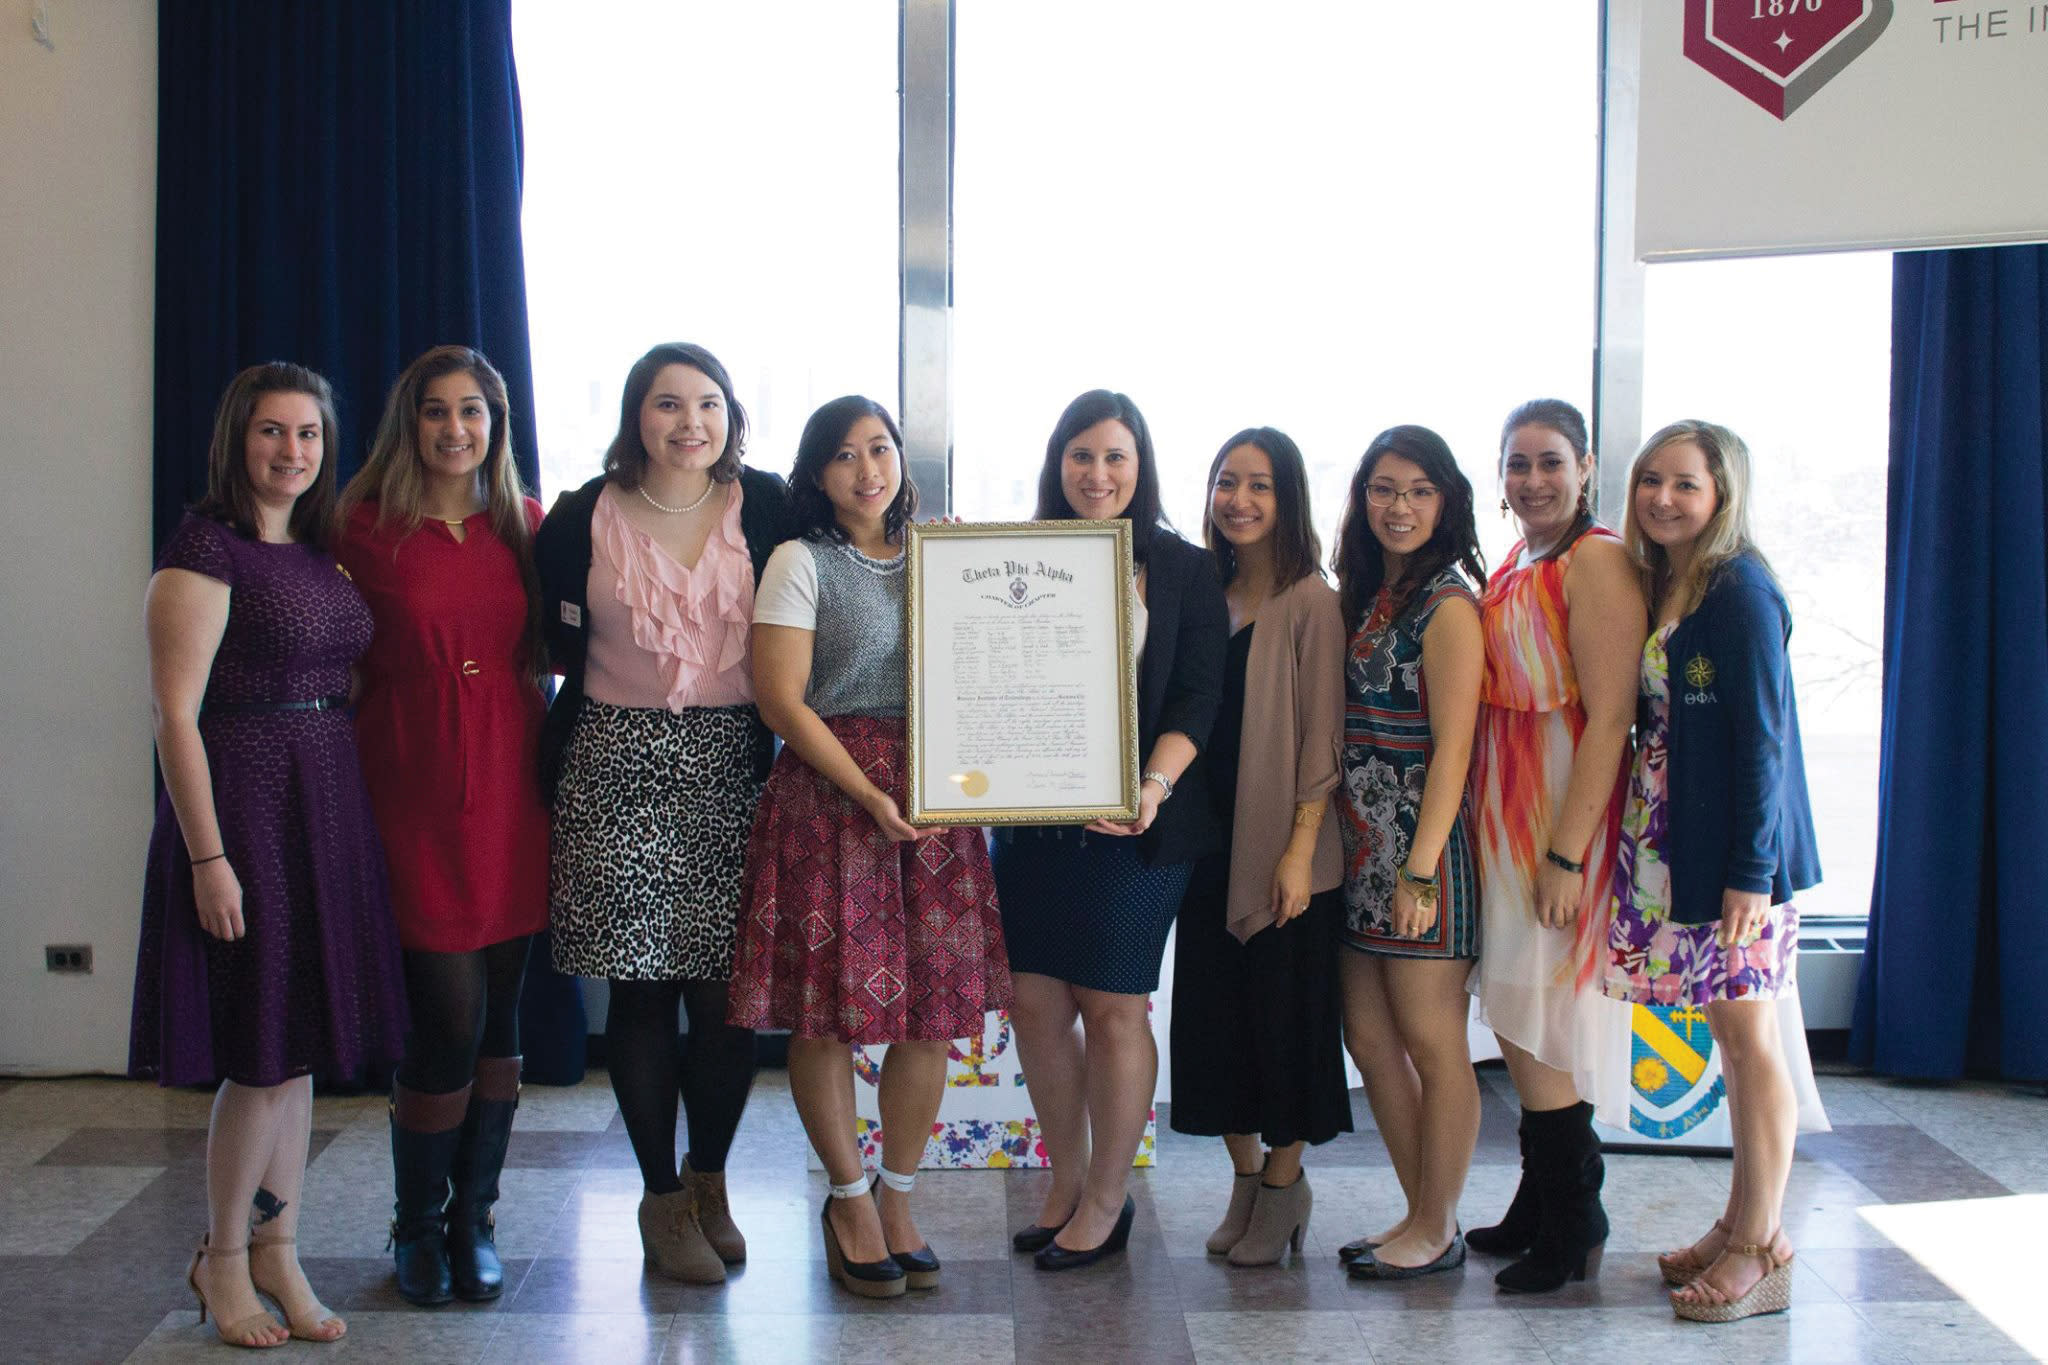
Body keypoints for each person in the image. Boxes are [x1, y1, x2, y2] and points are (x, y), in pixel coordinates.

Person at [129, 362, 408, 1347]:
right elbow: (173, 715)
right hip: (244, 809)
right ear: (236, 441)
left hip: (322, 798)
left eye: (308, 436)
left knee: (293, 1061)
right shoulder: (206, 549)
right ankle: (222, 1261)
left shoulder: (321, 552)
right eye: (271, 433)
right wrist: (209, 860)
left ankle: (279, 1255)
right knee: (256, 1058)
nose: (291, 452)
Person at [729, 394, 1012, 1299]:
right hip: (833, 799)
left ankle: (897, 1194)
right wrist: (868, 790)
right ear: (817, 473)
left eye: (880, 448)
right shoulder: (798, 561)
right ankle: (846, 1197)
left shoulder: (948, 556)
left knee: (929, 1012)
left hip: (937, 806)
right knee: (826, 1015)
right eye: (845, 455)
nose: (867, 468)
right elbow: (781, 702)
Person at [536, 342, 792, 1284]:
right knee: (641, 994)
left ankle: (710, 1177)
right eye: (668, 404)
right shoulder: (577, 518)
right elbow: (542, 639)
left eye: (710, 404)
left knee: (730, 999)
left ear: (732, 416)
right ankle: (658, 1197)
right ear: (636, 415)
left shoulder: (766, 507)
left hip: (736, 766)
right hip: (613, 761)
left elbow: (852, 568)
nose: (691, 423)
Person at [995, 389, 1229, 1271]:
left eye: (1117, 457)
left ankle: (1106, 1198)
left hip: (1142, 825)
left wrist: (1152, 783)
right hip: (1034, 826)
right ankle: (1065, 1180)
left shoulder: (1183, 569)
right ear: (1058, 463)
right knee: (1037, 1004)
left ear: (1143, 466)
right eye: (1082, 456)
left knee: (1116, 1006)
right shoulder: (1016, 557)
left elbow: (1198, 696)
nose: (1099, 474)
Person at [338, 345, 549, 1306]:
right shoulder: (357, 526)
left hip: (514, 791)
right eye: (436, 411)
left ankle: (476, 1221)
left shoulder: (526, 525)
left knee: (500, 1014)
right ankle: (415, 1223)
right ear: (409, 421)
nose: (455, 429)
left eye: (473, 411)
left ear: (496, 426)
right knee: (445, 1016)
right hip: (412, 794)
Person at [1604, 421, 1825, 1324]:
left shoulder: (1741, 591)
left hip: (1741, 858)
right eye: (1650, 480)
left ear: (1721, 493)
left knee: (1749, 1039)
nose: (1662, 497)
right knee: (1732, 1042)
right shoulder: (1673, 579)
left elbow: (1764, 743)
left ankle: (1761, 1245)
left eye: (1684, 484)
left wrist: (1750, 873)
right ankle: (1739, 1215)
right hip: (1682, 843)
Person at [1462, 400, 1644, 1293]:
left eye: (1549, 462)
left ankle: (1576, 1217)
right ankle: (1542, 1198)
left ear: (1586, 466)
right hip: (1506, 805)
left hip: (1555, 811)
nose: (1532, 479)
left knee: (1540, 1011)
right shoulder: (1517, 559)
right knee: (1515, 1007)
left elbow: (1610, 715)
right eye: (1517, 463)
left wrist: (1569, 854)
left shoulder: (1596, 559)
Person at [1170, 427, 1353, 1267]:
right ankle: (1245, 1179)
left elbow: (1324, 740)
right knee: (1215, 1026)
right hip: (1205, 843)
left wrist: (1297, 852)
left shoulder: (1312, 599)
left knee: (1284, 1027)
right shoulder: (1201, 589)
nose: (1238, 499)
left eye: (1260, 485)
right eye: (1224, 481)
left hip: (1285, 851)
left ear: (1289, 500)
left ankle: (1284, 1185)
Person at [1330, 424, 1486, 1281]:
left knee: (1432, 1039)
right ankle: (1422, 1211)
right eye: (1385, 488)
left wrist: (1419, 868)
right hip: (1360, 848)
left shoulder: (1449, 604)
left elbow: (1454, 749)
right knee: (1368, 1037)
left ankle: (1435, 1224)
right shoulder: (1368, 594)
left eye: (1420, 490)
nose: (1400, 506)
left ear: (1446, 501)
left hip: (1424, 857)